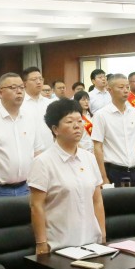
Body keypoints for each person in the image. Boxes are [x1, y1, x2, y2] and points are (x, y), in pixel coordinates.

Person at [28, 98, 106, 256]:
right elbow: (37, 206)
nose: (77, 126)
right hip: (60, 246)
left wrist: (102, 234)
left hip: (92, 244)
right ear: (55, 129)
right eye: (69, 122)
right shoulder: (43, 162)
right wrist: (41, 244)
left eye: (79, 121)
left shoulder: (89, 158)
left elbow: (97, 200)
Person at [92, 73, 135, 186]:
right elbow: (97, 147)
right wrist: (103, 177)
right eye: (121, 87)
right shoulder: (101, 115)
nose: (126, 90)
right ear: (110, 90)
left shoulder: (134, 112)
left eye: (127, 87)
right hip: (113, 171)